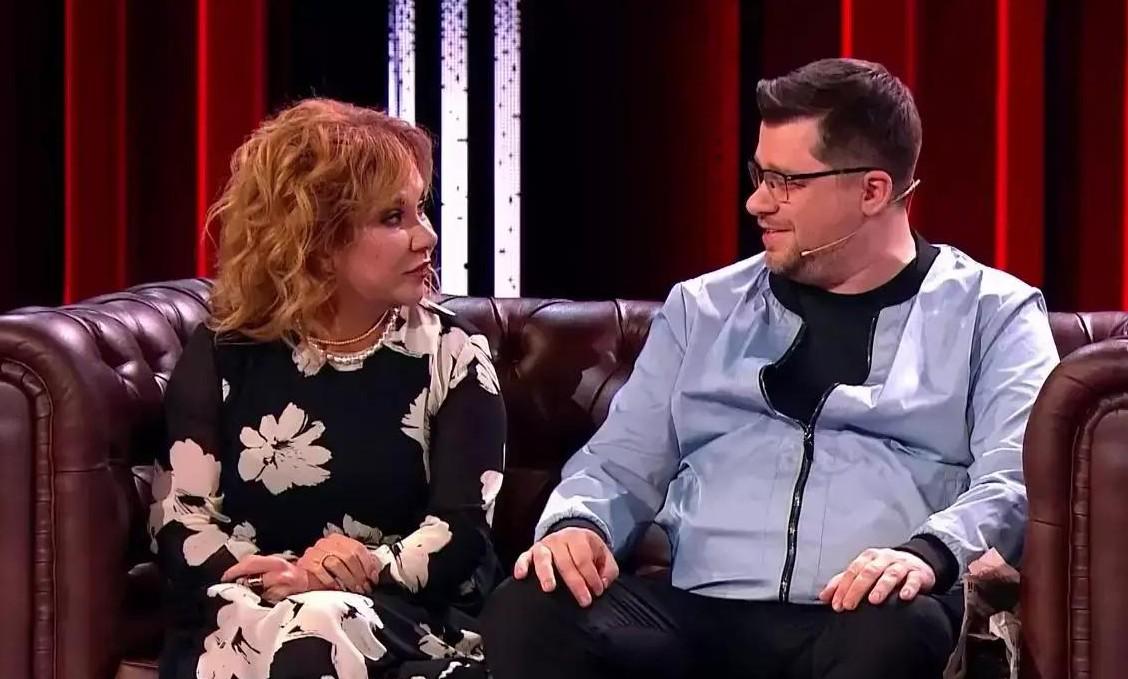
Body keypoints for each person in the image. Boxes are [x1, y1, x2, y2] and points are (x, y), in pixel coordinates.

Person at [481, 58, 1059, 678]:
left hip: (860, 615)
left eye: (787, 182)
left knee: (901, 628)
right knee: (529, 608)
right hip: (698, 615)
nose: (757, 202)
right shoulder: (701, 309)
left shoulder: (993, 313)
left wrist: (928, 554)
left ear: (873, 191)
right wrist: (578, 523)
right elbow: (617, 464)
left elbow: (1017, 480)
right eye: (760, 174)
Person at [149, 98, 505, 679]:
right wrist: (282, 580)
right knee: (291, 630)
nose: (427, 236)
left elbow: (461, 536)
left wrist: (337, 575)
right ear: (315, 239)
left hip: (400, 617)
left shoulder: (454, 355)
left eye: (420, 209)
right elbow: (181, 526)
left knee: (318, 625)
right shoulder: (222, 353)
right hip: (249, 612)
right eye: (393, 217)